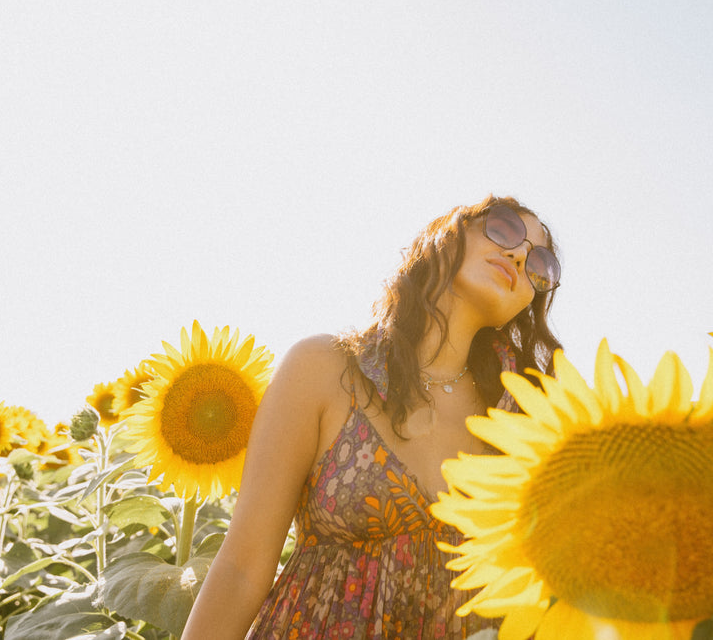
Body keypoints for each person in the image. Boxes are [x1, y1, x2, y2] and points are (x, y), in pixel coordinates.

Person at [182, 194, 562, 639]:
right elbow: (242, 569)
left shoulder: (526, 419)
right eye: (503, 229)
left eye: (540, 264)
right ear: (451, 233)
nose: (519, 254)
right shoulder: (324, 369)